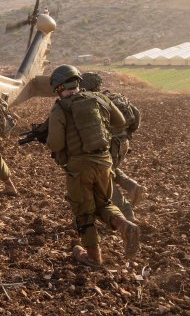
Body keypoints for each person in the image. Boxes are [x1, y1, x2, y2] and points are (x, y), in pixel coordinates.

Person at [47, 64, 140, 267]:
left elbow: (55, 144)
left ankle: (93, 257)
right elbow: (120, 121)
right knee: (104, 204)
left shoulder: (60, 108)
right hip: (105, 162)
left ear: (59, 87)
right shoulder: (99, 98)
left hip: (80, 168)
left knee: (84, 211)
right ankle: (125, 225)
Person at [81, 72, 145, 221]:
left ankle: (126, 211)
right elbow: (137, 114)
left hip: (111, 145)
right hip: (123, 142)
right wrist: (128, 134)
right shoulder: (115, 97)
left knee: (103, 180)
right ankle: (133, 187)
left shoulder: (94, 103)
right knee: (111, 170)